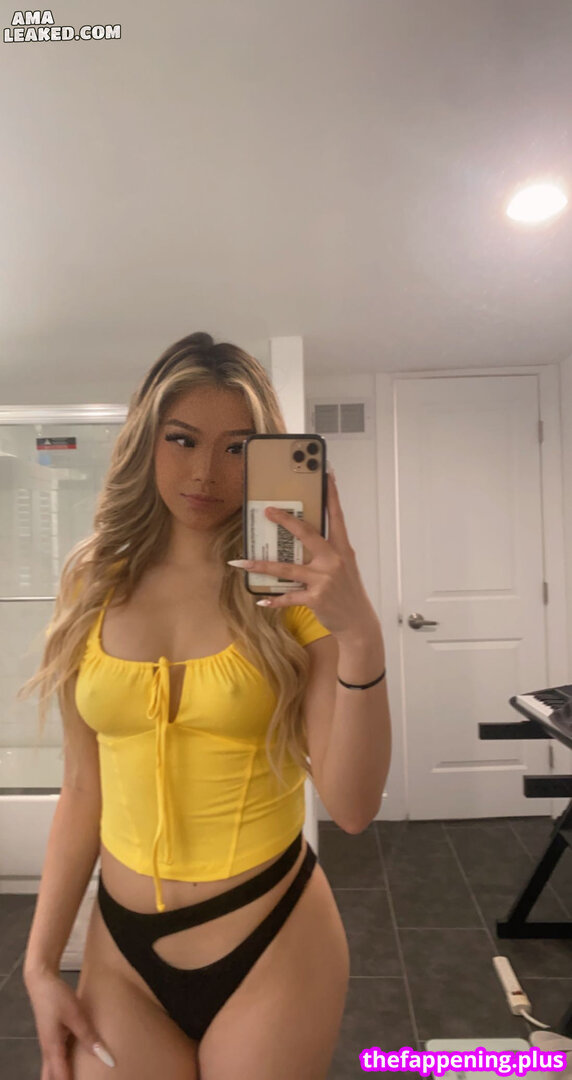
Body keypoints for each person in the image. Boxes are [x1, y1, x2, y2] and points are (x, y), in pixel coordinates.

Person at [20, 332, 391, 1080]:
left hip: (271, 937)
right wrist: (39, 965)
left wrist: (359, 634)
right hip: (121, 950)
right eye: (183, 439)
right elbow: (84, 787)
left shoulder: (291, 590)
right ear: (146, 440)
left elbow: (353, 808)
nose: (204, 473)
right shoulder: (92, 581)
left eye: (237, 449)